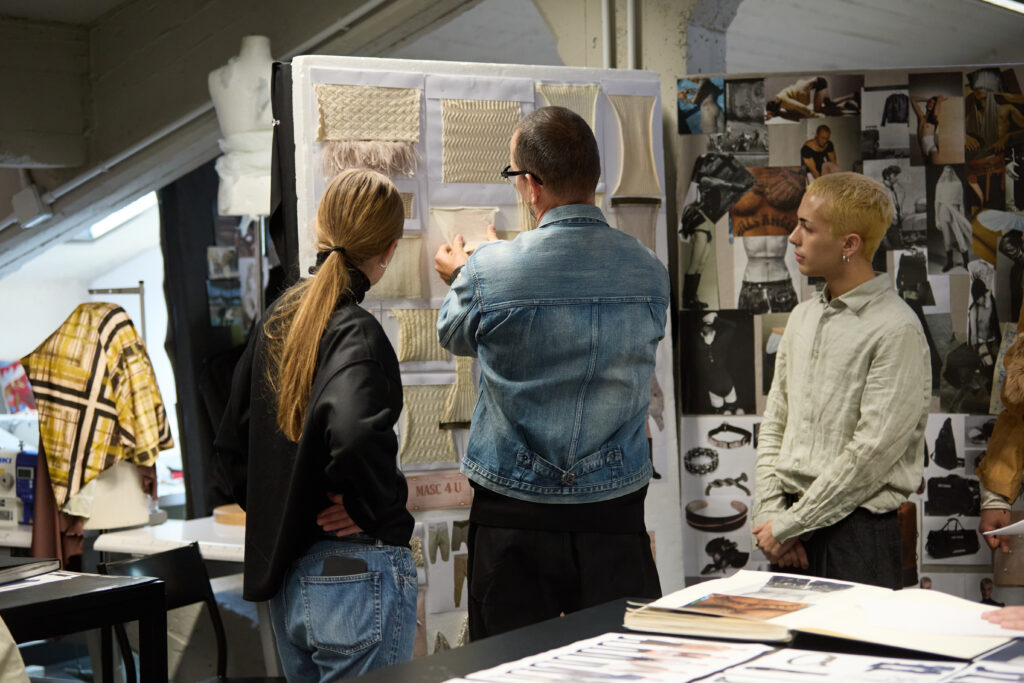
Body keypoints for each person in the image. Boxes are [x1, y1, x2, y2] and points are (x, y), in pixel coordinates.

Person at [432, 106, 668, 639]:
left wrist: (465, 275)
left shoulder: (489, 270)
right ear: (594, 176)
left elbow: (454, 335)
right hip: (613, 513)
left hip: (514, 513)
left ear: (531, 185)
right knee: (622, 667)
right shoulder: (650, 271)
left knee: (510, 669)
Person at [215, 169, 417, 681]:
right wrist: (371, 507)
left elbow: (232, 450)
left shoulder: (278, 319)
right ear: (389, 250)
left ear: (318, 228)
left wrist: (291, 511)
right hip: (355, 577)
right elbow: (353, 432)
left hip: (291, 578)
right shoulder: (356, 332)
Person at [751, 172, 931, 589]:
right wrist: (770, 514)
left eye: (807, 227)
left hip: (856, 538)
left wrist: (791, 525)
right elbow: (776, 422)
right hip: (789, 532)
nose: (793, 237)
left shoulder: (896, 329)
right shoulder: (802, 316)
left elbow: (871, 453)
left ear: (849, 244)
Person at [911, 95, 946, 164]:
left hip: (931, 149)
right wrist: (927, 99)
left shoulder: (934, 119)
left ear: (935, 106)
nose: (931, 104)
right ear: (926, 104)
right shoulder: (921, 116)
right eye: (930, 102)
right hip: (923, 152)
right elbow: (913, 99)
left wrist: (939, 100)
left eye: (933, 104)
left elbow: (935, 113)